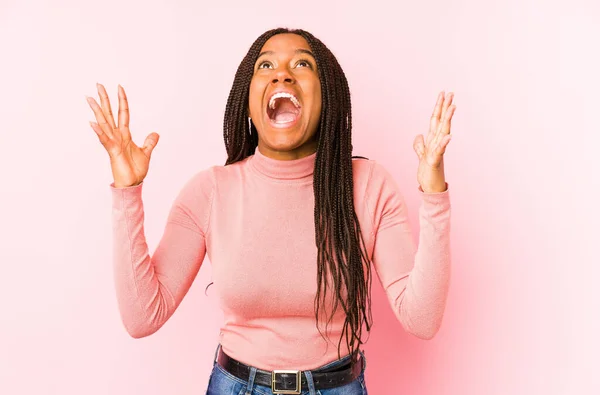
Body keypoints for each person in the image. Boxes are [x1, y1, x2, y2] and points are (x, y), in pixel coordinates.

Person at [85, 27, 454, 395]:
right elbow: (142, 316)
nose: (282, 73)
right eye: (265, 65)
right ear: (246, 101)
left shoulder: (367, 186)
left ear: (328, 96)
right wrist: (126, 192)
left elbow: (421, 319)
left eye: (302, 63)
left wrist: (434, 193)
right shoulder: (211, 191)